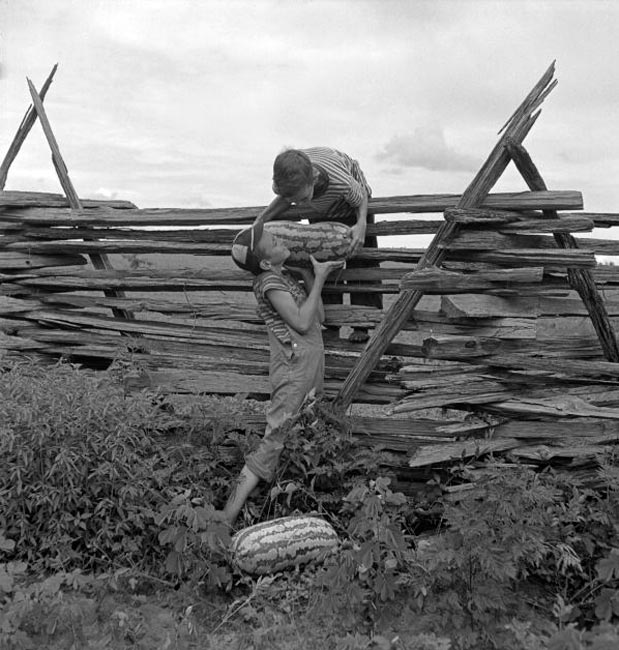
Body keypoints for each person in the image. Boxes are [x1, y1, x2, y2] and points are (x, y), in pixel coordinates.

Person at [224, 219, 345, 525]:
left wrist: (307, 276)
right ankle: (225, 519)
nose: (280, 241)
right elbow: (301, 324)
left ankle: (292, 506)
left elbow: (319, 316)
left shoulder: (286, 276)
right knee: (273, 441)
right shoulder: (269, 283)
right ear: (265, 261)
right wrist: (319, 279)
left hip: (308, 365)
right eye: (274, 243)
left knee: (303, 434)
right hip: (293, 370)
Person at [256, 147, 382, 343]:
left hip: (352, 207)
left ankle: (363, 323)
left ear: (313, 179)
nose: (298, 203)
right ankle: (331, 324)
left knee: (361, 264)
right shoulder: (291, 180)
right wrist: (260, 221)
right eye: (295, 201)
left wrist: (361, 224)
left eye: (302, 199)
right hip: (322, 210)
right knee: (322, 261)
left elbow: (361, 196)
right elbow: (284, 200)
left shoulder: (341, 183)